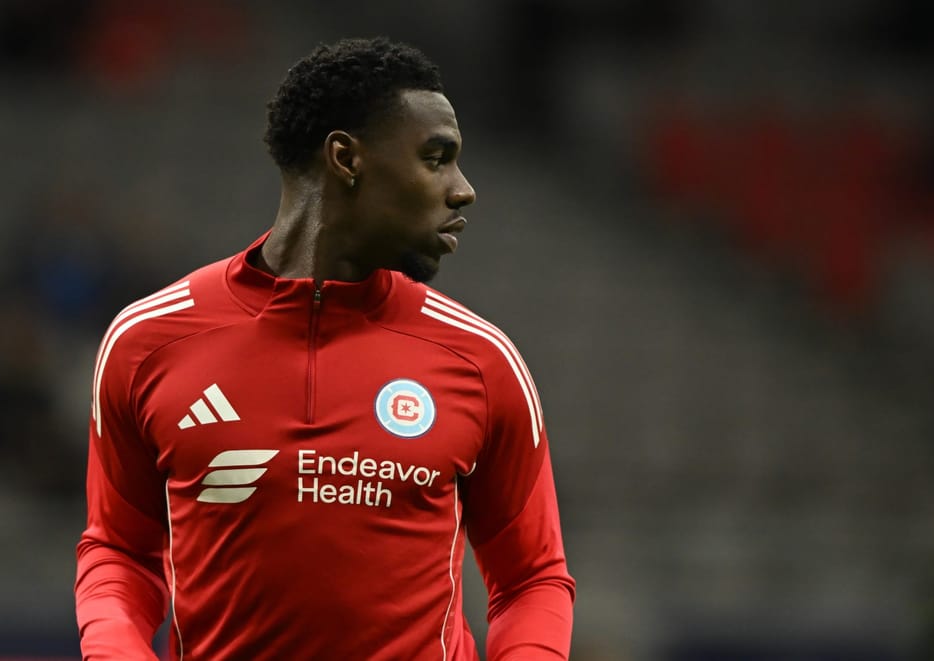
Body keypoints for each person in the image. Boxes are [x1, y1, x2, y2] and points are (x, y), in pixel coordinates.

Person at [74, 37, 575, 660]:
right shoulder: (148, 341)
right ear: (346, 158)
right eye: (436, 158)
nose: (463, 189)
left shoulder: (482, 359)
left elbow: (532, 579)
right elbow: (119, 552)